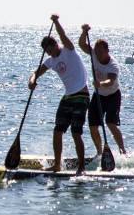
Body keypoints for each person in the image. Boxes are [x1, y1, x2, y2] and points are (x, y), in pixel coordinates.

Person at [28, 14, 90, 175]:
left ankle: (81, 167)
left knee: (76, 132)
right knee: (57, 131)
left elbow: (63, 36)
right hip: (68, 96)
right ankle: (57, 165)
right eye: (46, 52)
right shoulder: (51, 61)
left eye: (50, 50)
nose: (49, 54)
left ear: (56, 45)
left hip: (82, 96)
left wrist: (56, 22)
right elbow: (36, 72)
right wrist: (32, 81)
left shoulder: (68, 51)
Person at [78, 24, 127, 156]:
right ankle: (100, 153)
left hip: (113, 95)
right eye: (96, 51)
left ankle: (123, 151)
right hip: (98, 95)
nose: (98, 54)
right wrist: (84, 32)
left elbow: (110, 81)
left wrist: (101, 83)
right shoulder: (94, 54)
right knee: (93, 125)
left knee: (110, 123)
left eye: (101, 52)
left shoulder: (113, 65)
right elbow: (82, 45)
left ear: (107, 51)